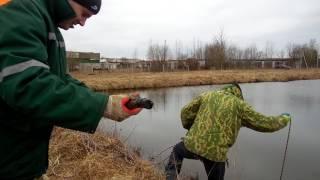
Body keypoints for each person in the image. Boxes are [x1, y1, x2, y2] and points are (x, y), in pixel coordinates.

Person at [0, 0, 142, 179]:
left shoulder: (49, 24)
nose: (82, 23)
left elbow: (61, 80)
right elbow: (28, 85)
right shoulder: (21, 10)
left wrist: (108, 103)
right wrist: (103, 105)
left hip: (20, 162)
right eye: (84, 14)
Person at [165, 83, 291, 180]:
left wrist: (191, 129)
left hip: (192, 144)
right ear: (239, 95)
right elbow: (265, 123)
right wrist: (284, 119)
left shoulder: (208, 95)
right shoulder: (240, 106)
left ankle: (170, 177)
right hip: (216, 154)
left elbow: (185, 112)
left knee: (177, 151)